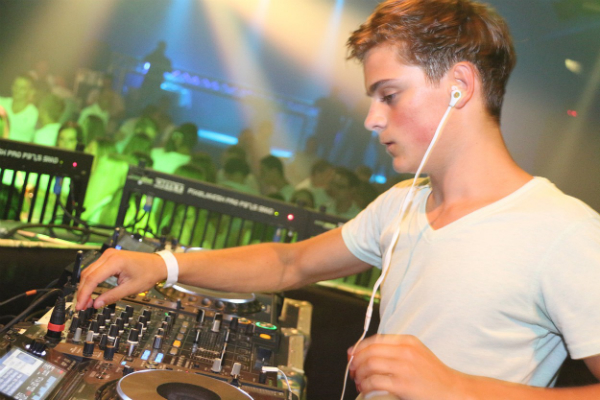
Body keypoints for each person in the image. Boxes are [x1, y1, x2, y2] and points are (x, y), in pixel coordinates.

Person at [76, 1, 600, 399]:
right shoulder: (402, 204)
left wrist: (456, 387)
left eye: (390, 95)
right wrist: (163, 265)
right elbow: (290, 262)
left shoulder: (564, 231)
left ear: (459, 86)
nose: (372, 119)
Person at [0, 74, 39, 143]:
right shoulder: (1, 103)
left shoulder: (35, 114)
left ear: (31, 91)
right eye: (16, 86)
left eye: (22, 88)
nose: (17, 90)